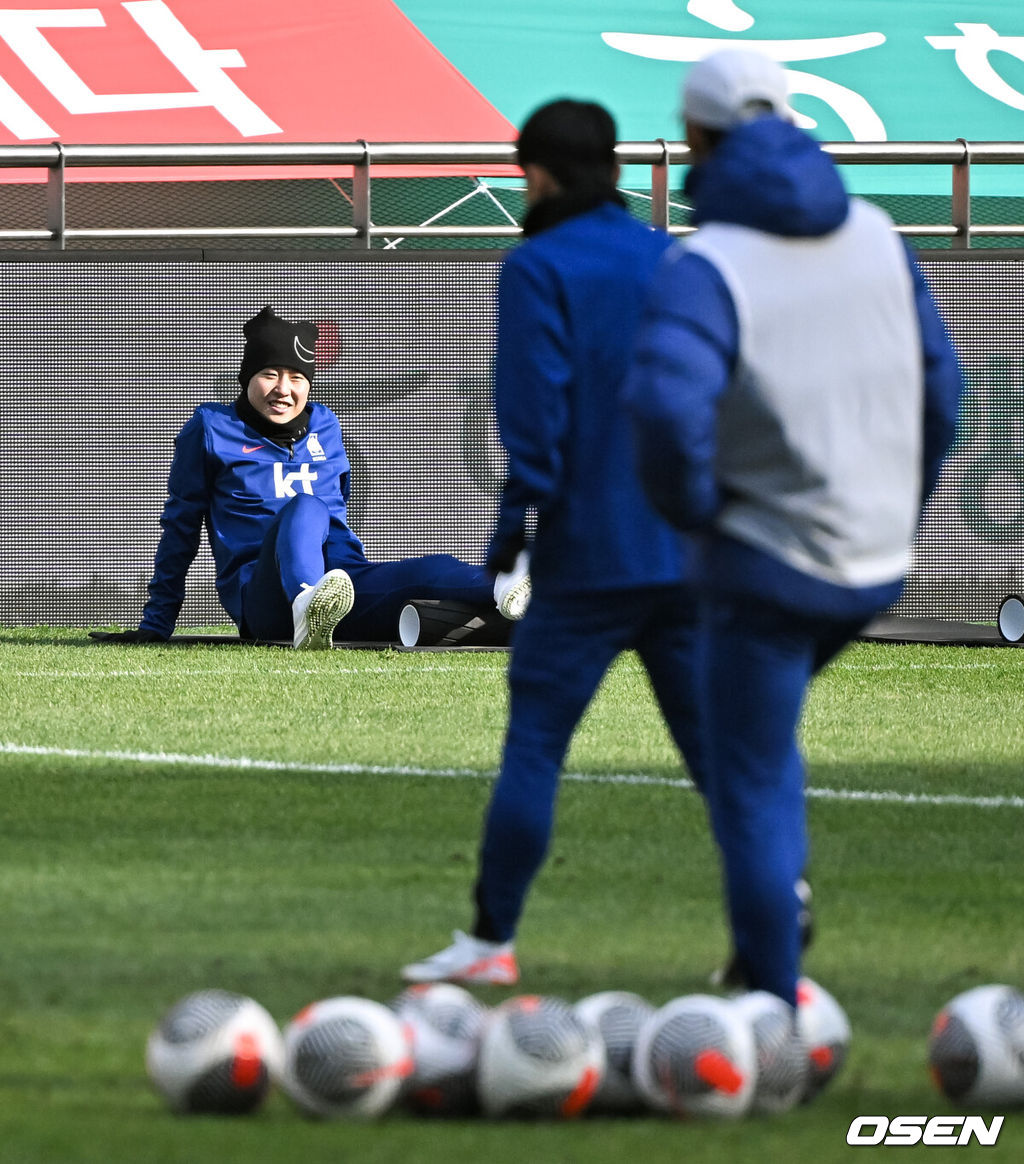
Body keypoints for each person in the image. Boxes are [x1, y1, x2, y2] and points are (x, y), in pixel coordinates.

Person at [623, 49, 963, 1008]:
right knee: (757, 743)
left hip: (768, 564)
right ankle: (776, 920)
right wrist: (904, 502)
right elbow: (944, 394)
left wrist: (696, 516)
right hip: (875, 558)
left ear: (693, 138)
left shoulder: (707, 261)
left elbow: (661, 408)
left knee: (748, 771)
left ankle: (774, 998)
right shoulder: (879, 233)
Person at [402, 99, 704, 986]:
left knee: (536, 743)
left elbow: (535, 421)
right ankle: (776, 938)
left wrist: (507, 537)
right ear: (612, 169)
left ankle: (490, 943)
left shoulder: (536, 266)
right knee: (724, 753)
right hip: (684, 548)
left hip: (587, 553)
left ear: (535, 172)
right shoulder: (673, 259)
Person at [102, 306, 530, 648]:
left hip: (341, 584)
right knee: (307, 506)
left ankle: (511, 589)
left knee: (426, 571)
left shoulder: (326, 424)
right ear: (246, 377)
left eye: (296, 377)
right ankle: (307, 607)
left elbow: (339, 524)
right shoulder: (211, 428)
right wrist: (157, 622)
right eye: (269, 373)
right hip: (265, 599)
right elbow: (180, 530)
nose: (283, 388)